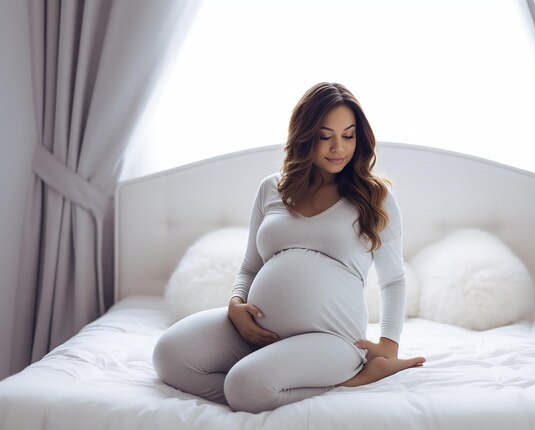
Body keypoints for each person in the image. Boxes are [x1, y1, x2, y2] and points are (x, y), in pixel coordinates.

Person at [152, 82, 425, 414]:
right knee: (169, 354)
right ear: (304, 135)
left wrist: (389, 344)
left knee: (244, 386)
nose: (338, 147)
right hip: (256, 332)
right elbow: (250, 265)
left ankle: (355, 378)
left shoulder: (374, 197)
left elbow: (393, 279)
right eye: (325, 136)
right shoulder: (272, 188)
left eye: (349, 135)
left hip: (332, 340)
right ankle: (265, 378)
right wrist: (236, 303)